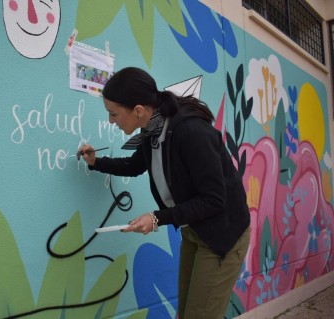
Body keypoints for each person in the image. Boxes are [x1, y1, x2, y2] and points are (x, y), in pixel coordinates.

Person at [78, 67, 251, 319]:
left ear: (138, 111)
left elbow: (214, 200)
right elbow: (135, 166)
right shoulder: (153, 127)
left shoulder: (191, 133)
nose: (111, 121)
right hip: (195, 230)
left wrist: (157, 218)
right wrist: (96, 162)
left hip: (223, 234)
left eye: (113, 114)